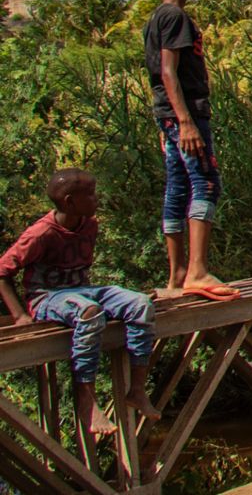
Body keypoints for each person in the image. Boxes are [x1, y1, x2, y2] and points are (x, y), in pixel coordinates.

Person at [0, 169, 162, 439]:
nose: (96, 198)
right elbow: (3, 272)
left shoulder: (90, 225)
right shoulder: (40, 234)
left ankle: (137, 389)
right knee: (90, 312)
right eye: (89, 194)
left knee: (140, 304)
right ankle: (86, 400)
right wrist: (19, 316)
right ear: (69, 201)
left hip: (82, 291)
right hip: (47, 297)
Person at [143, 0, 236, 301]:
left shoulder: (156, 18)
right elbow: (168, 72)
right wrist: (186, 121)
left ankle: (177, 273)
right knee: (207, 181)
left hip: (168, 113)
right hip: (185, 112)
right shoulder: (174, 17)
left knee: (178, 184)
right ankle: (196, 269)